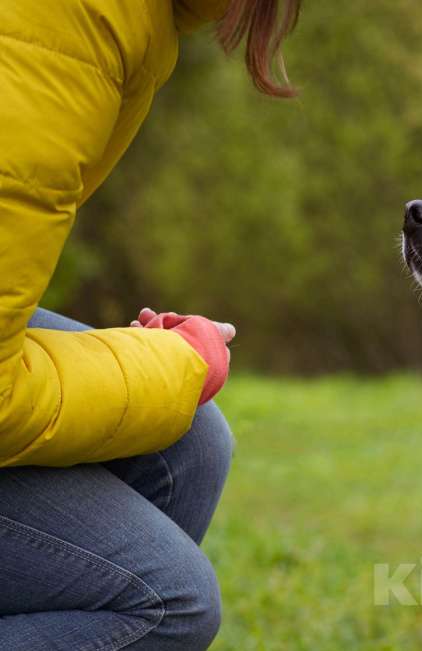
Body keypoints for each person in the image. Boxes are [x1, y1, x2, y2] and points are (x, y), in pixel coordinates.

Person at [0, 1, 300, 648]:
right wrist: (175, 361)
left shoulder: (136, 20)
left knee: (189, 441)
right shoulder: (71, 25)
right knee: (169, 600)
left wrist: (156, 362)